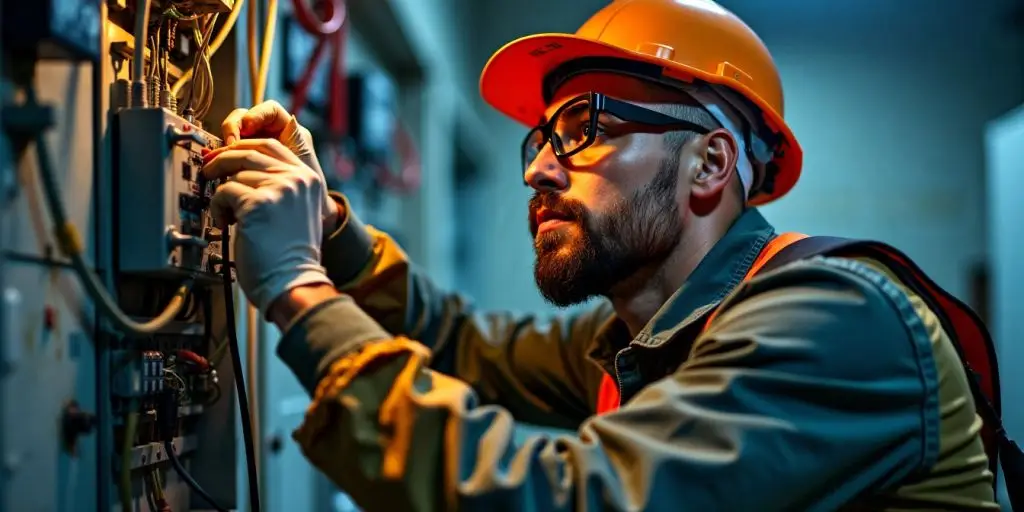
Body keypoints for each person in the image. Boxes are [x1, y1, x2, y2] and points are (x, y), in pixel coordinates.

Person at [202, 0, 1018, 509]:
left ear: (709, 164)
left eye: (587, 128)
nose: (539, 169)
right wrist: (329, 225)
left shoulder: (837, 319)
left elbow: (565, 499)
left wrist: (297, 289)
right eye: (541, 139)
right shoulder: (646, 339)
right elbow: (457, 347)